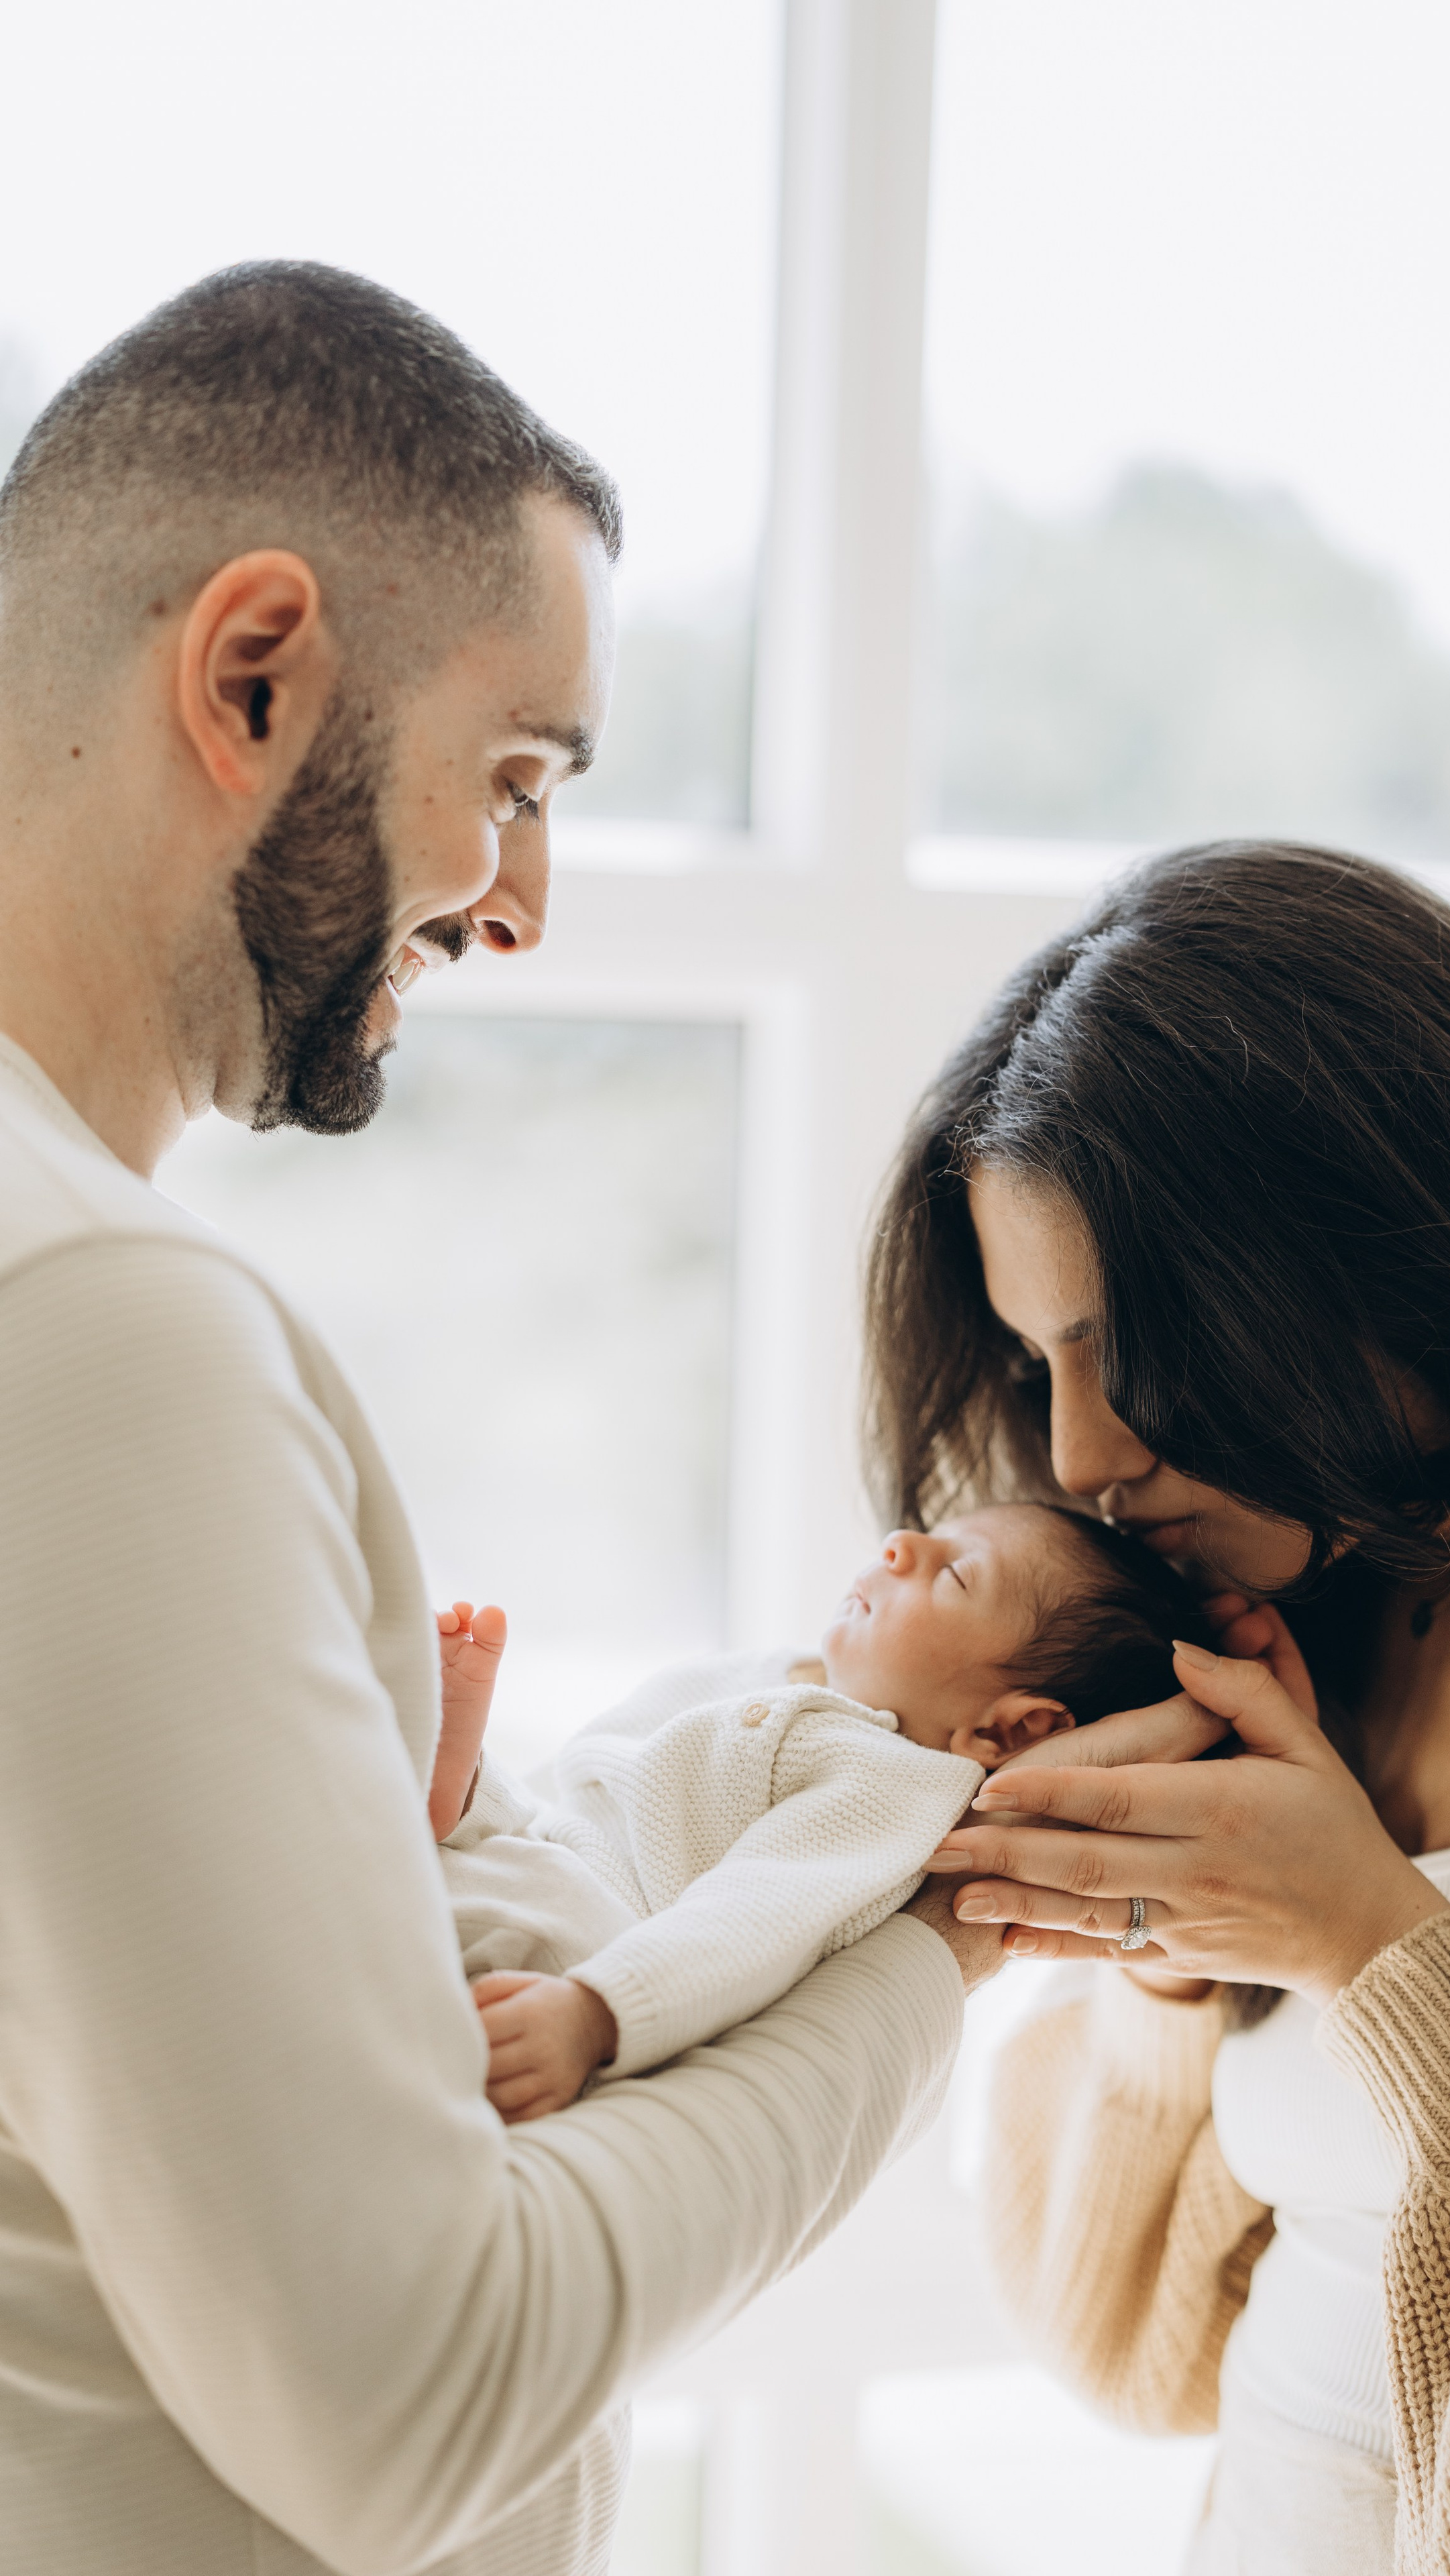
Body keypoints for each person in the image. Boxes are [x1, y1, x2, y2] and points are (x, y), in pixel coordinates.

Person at [0, 262, 998, 2576]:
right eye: (518, 777)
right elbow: (414, 2402)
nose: (522, 902)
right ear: (256, 677)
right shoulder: (101, 1330)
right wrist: (937, 1944)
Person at [865, 840, 1450, 2576]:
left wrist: (1371, 1947)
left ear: (1375, 1253)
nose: (1087, 1456)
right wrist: (1180, 1974)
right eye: (1042, 1370)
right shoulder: (1285, 1631)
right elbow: (1132, 2347)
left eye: (1136, 1349)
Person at [427, 1505, 1203, 2121]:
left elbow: (754, 1920)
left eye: (955, 1576)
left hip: (596, 1937)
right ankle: (458, 1788)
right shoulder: (783, 1674)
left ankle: (452, 1795)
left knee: (490, 1902)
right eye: (927, 1534)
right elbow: (594, 1778)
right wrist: (490, 1803)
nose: (900, 1545)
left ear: (1011, 1729)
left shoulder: (891, 1786)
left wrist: (596, 2013)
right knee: (494, 1833)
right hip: (549, 1842)